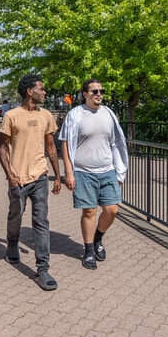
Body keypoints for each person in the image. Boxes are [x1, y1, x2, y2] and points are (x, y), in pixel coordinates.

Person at [0, 74, 62, 290]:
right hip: (18, 178)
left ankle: (42, 269)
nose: (44, 92)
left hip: (40, 176)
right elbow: (1, 147)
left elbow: (51, 148)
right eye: (41, 89)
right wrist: (10, 175)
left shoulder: (46, 115)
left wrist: (57, 176)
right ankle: (12, 243)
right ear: (29, 91)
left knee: (41, 221)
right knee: (15, 215)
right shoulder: (11, 116)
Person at [59, 79, 128, 270]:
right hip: (83, 172)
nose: (99, 94)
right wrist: (69, 173)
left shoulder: (109, 114)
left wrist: (119, 170)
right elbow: (65, 143)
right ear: (85, 94)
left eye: (101, 90)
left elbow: (116, 142)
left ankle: (98, 237)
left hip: (107, 170)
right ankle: (89, 250)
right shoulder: (75, 114)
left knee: (112, 209)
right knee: (89, 211)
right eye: (94, 91)